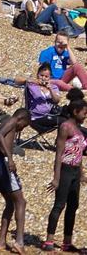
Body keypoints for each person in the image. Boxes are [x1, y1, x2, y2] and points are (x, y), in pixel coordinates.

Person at [0, 109, 35, 254]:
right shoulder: (12, 121)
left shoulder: (2, 124)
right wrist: (10, 158)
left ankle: (1, 242)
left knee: (9, 203)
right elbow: (0, 136)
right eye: (24, 125)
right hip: (3, 162)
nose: (21, 129)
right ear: (21, 119)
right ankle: (19, 242)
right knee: (20, 202)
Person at [49, 97, 87, 252]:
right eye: (84, 113)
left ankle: (67, 241)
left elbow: (78, 153)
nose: (85, 116)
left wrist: (82, 173)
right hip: (65, 169)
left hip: (75, 171)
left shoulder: (79, 129)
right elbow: (59, 154)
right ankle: (49, 239)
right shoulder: (66, 127)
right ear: (75, 111)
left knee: (73, 205)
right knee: (59, 205)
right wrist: (56, 178)